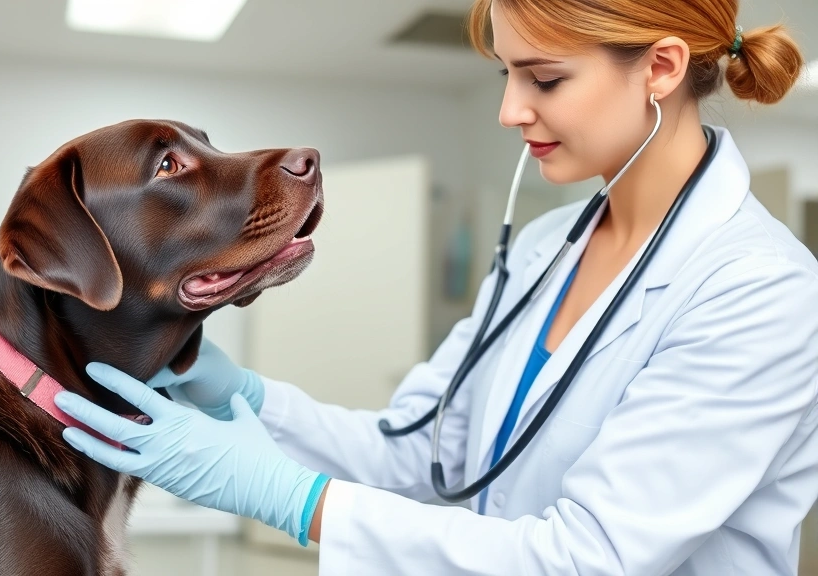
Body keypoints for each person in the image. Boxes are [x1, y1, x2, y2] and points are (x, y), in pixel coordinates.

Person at [53, 0, 818, 573]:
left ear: (661, 67)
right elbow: (421, 451)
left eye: (545, 79)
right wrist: (249, 399)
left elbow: (589, 558)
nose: (511, 110)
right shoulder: (549, 246)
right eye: (508, 75)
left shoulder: (757, 291)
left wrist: (295, 500)